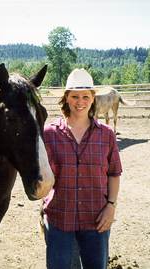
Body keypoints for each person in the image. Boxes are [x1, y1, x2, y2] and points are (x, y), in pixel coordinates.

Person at [42, 68, 122, 269]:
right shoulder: (49, 134)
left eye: (86, 96)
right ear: (66, 98)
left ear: (93, 98)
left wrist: (111, 206)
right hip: (60, 218)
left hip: (97, 219)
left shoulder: (106, 135)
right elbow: (40, 175)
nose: (80, 101)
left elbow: (114, 173)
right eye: (75, 96)